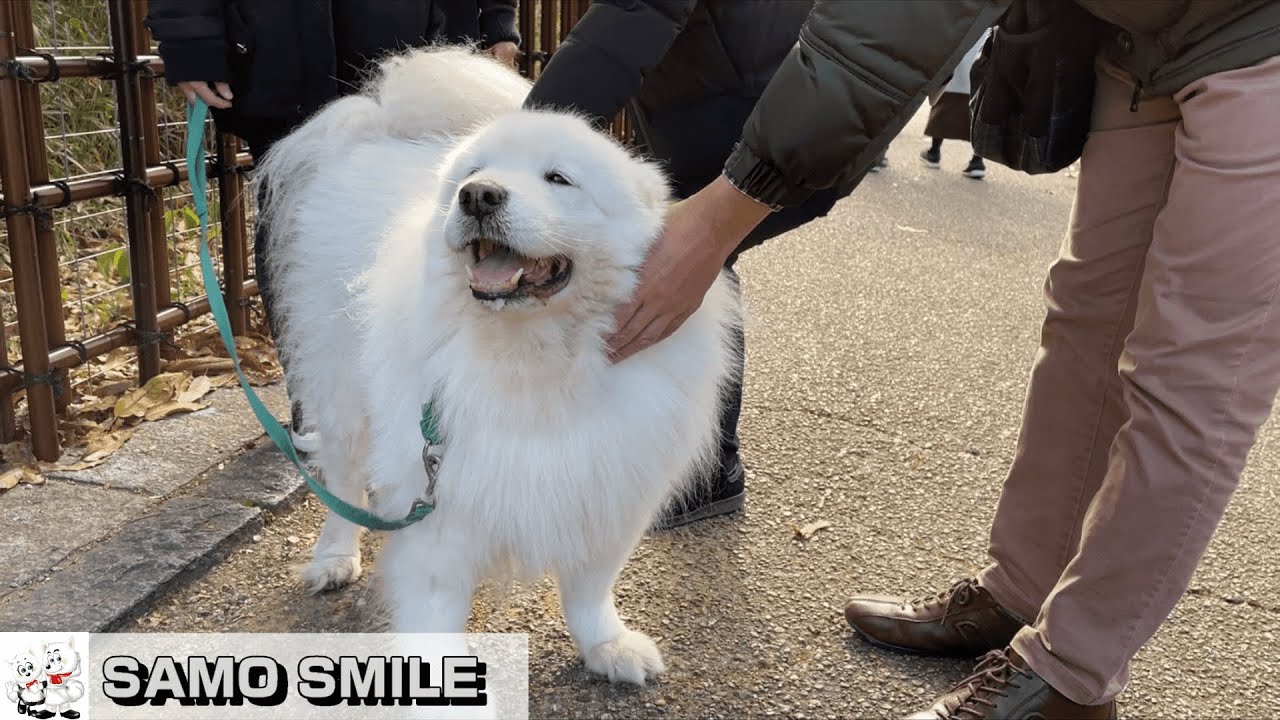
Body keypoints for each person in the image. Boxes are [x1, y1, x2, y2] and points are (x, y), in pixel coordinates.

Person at [556, 0, 1280, 717]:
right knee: (1086, 318)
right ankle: (1022, 591)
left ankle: (1072, 674)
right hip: (1138, 41)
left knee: (1193, 371)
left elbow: (890, 30)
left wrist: (722, 214)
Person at [524, 0, 851, 529]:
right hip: (745, 106)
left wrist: (517, 147)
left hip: (771, 122)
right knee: (700, 261)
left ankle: (702, 473)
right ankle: (705, 468)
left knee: (681, 258)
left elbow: (626, 22)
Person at [144, 0, 521, 451]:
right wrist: (190, 36)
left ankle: (433, 396)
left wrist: (496, 20)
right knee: (300, 224)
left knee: (430, 222)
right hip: (281, 49)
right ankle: (323, 401)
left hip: (424, 47)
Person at [919, 29, 991, 179]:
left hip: (962, 44)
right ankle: (977, 161)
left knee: (945, 104)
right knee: (978, 112)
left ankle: (934, 152)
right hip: (983, 51)